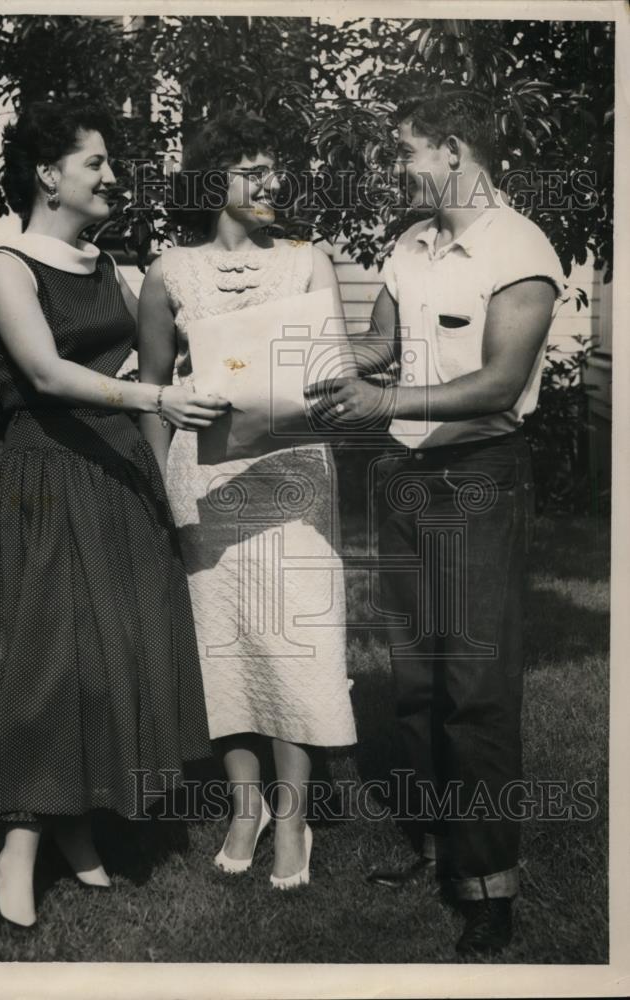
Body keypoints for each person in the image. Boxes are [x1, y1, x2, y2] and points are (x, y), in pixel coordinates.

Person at [0, 99, 229, 929]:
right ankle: (20, 841)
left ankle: (78, 822)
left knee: (110, 652)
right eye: (96, 163)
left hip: (116, 474)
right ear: (49, 175)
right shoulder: (5, 264)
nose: (112, 176)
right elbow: (42, 373)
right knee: (49, 655)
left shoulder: (109, 265)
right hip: (49, 474)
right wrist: (156, 394)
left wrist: (169, 488)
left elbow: (141, 379)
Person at [325, 90, 565, 954]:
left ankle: (489, 883)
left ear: (453, 149)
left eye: (405, 150)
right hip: (402, 476)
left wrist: (381, 397)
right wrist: (277, 338)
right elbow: (376, 350)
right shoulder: (408, 245)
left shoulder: (519, 249)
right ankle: (434, 846)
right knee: (418, 681)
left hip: (475, 479)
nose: (395, 167)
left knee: (474, 688)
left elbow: (499, 385)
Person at [137, 111, 357, 889]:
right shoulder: (168, 270)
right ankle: (244, 805)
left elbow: (333, 373)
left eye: (274, 169)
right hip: (204, 477)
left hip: (292, 473)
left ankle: (293, 817)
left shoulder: (307, 259)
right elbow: (151, 389)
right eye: (250, 170)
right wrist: (163, 473)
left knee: (293, 638)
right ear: (210, 182)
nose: (271, 184)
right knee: (220, 638)